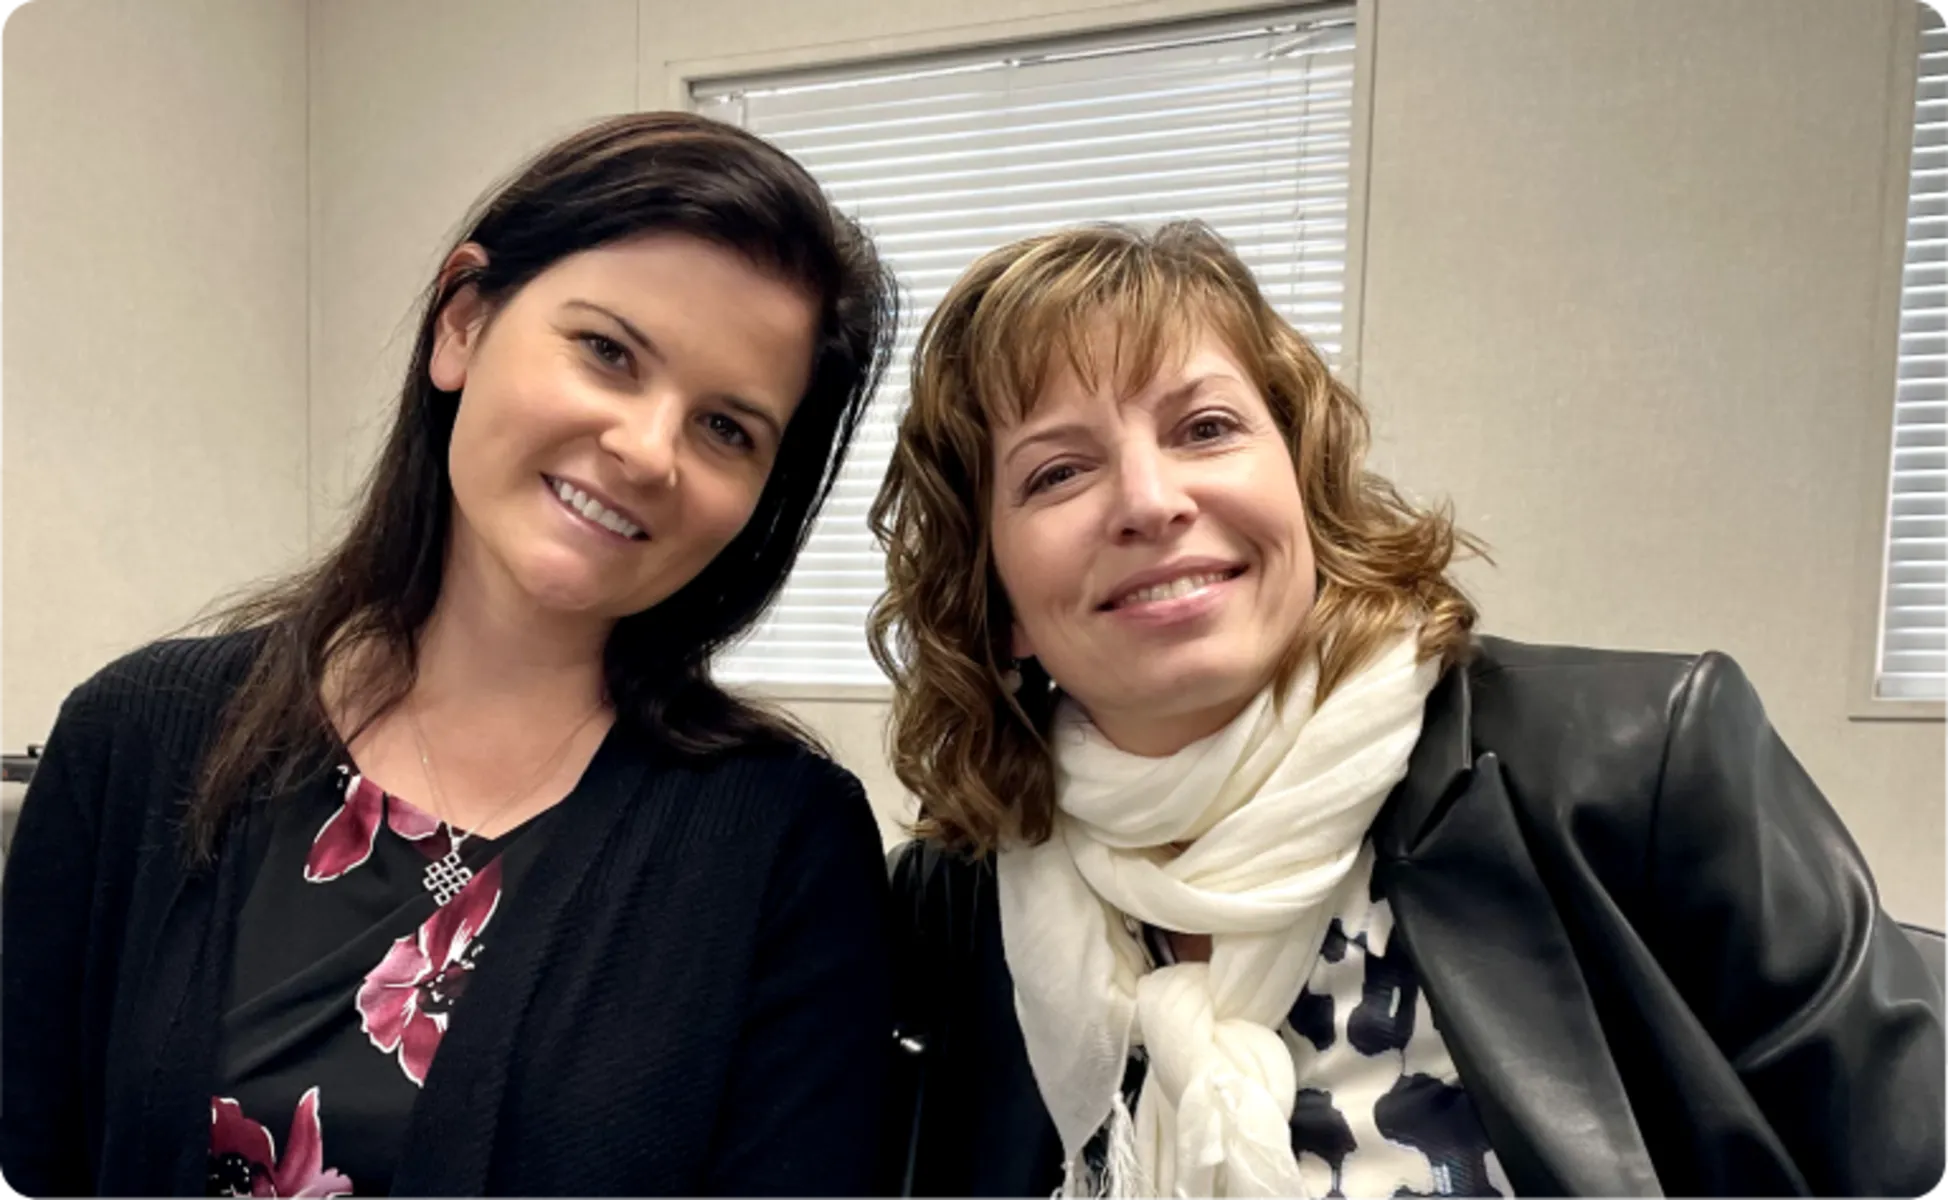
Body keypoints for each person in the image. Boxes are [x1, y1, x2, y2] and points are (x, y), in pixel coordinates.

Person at [866, 220, 1948, 1200]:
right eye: (1057, 473)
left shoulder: (1637, 765)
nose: (1150, 501)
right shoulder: (963, 900)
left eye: (1203, 427)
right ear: (994, 595)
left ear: (1305, 482)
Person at [0, 112, 900, 1199]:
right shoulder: (136, 739)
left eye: (726, 429)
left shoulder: (782, 846)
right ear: (463, 323)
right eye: (608, 353)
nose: (647, 450)